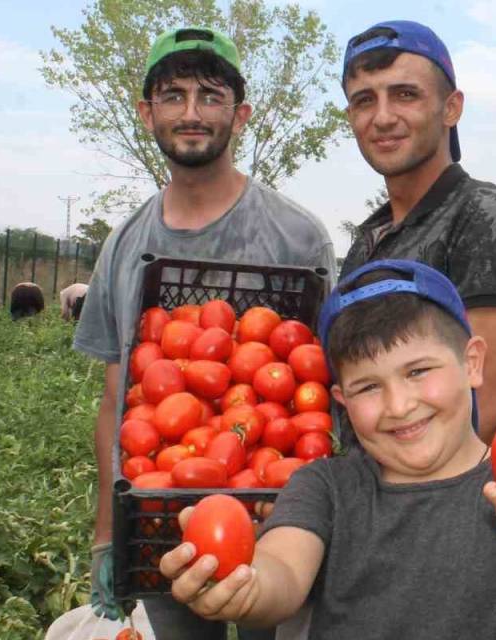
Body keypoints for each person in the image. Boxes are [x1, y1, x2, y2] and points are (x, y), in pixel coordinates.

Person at [157, 260, 496, 638]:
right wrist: (249, 585)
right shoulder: (326, 487)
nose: (399, 406)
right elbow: (284, 570)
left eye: (417, 371)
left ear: (471, 362)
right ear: (342, 402)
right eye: (369, 386)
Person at [72, 26, 335, 639]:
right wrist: (108, 538)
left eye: (211, 96)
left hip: (281, 526)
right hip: (162, 528)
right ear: (148, 112)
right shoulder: (123, 246)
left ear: (240, 114)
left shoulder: (299, 237)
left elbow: (329, 390)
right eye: (174, 95)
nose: (192, 113)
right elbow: (118, 403)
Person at [338, 21, 496, 443]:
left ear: (451, 107)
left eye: (405, 94)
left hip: (436, 502)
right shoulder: (368, 239)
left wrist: (374, 487)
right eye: (364, 101)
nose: (384, 117)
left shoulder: (482, 214)